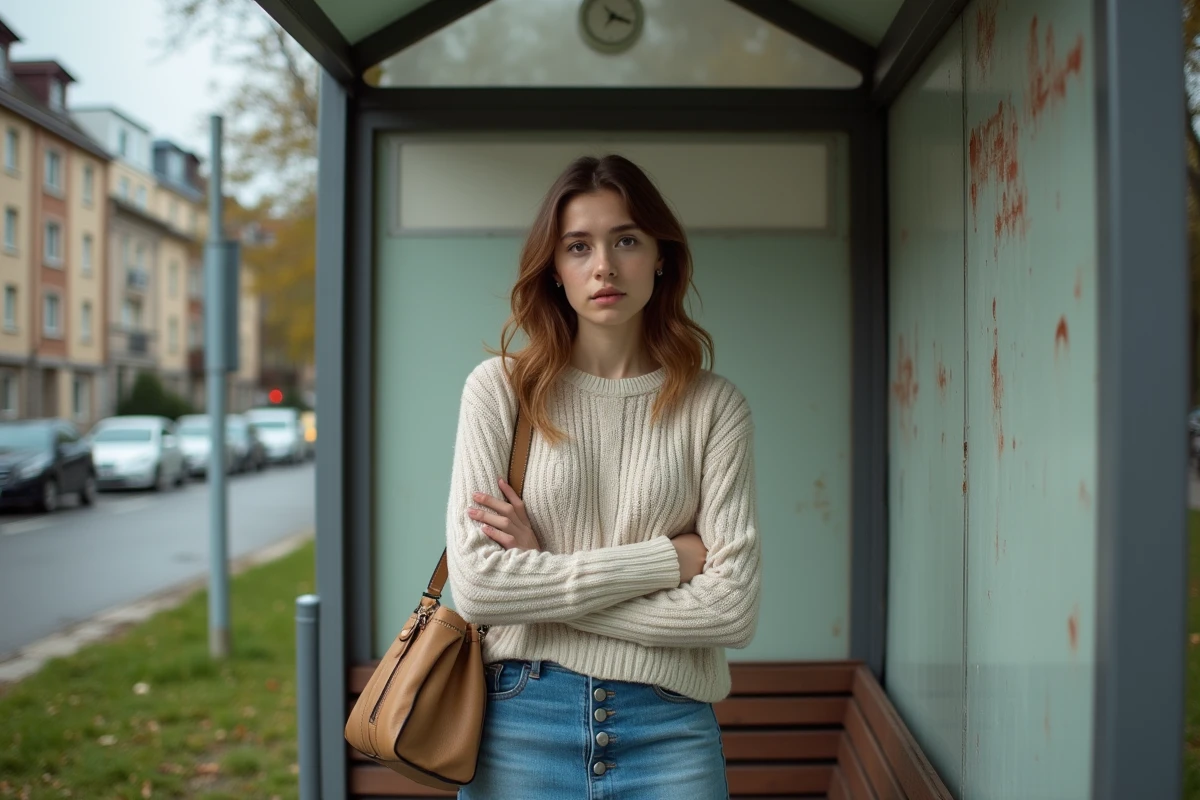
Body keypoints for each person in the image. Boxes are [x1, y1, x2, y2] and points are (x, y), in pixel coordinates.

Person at [446, 154, 762, 799]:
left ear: (660, 256)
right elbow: (478, 587)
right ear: (555, 269)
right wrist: (668, 560)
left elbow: (732, 608)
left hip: (669, 728)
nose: (604, 266)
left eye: (626, 240)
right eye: (578, 246)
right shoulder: (501, 391)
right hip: (520, 724)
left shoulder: (714, 406)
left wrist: (542, 570)